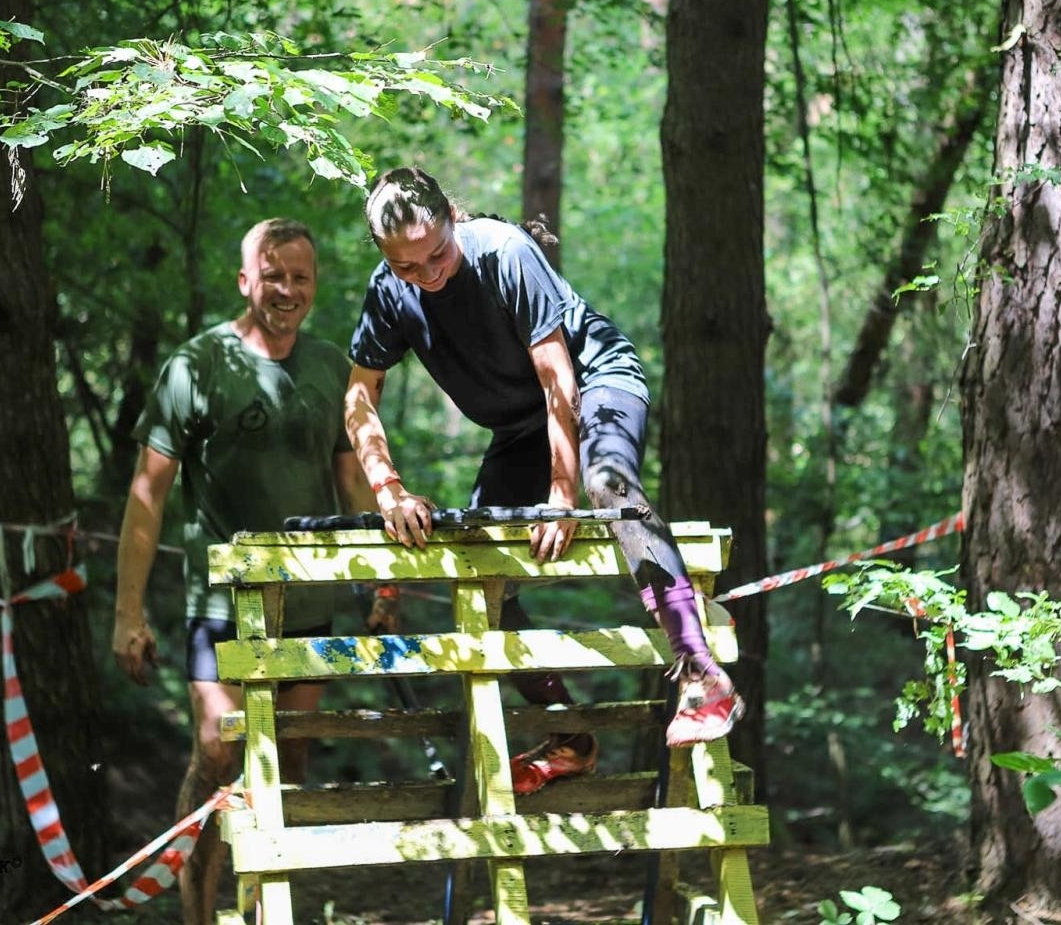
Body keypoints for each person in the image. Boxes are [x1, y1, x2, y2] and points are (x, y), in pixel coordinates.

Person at [342, 166, 744, 795]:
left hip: (595, 377)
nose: (429, 275)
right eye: (408, 267)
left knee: (606, 485)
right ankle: (569, 734)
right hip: (522, 423)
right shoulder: (389, 294)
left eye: (437, 254)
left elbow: (559, 378)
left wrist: (561, 495)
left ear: (454, 218)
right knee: (486, 575)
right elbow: (359, 396)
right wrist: (388, 487)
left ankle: (702, 674)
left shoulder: (505, 253)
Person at [112, 218, 378, 925]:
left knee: (287, 774)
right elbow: (147, 498)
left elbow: (355, 483)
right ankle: (197, 915)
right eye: (273, 275)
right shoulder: (197, 365)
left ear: (315, 287)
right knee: (216, 757)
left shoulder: (331, 366)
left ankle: (265, 915)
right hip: (224, 603)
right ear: (245, 280)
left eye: (300, 277)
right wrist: (127, 615)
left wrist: (378, 582)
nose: (286, 290)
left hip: (310, 609)